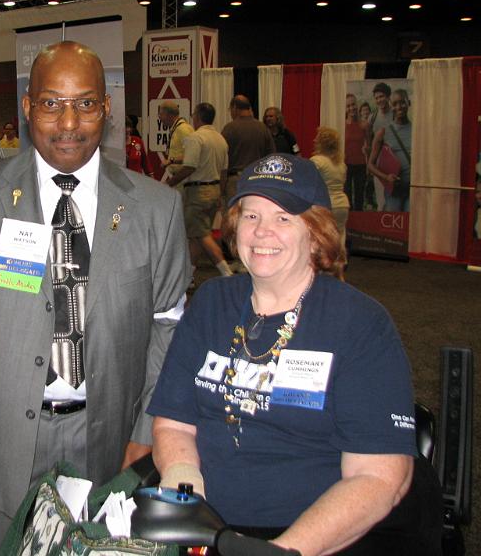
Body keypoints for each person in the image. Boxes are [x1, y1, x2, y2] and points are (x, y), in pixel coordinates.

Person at [0, 40, 191, 554]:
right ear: (27, 107)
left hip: (106, 440)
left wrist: (150, 426)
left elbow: (169, 324)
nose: (69, 122)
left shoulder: (157, 208)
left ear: (106, 109)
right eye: (51, 103)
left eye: (85, 103)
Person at [148, 153, 441, 555]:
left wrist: (285, 550)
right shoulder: (212, 302)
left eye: (284, 218)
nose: (262, 233)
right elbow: (174, 424)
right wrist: (186, 491)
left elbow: (378, 477)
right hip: (209, 522)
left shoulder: (359, 324)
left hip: (314, 535)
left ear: (316, 233)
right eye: (250, 216)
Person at [164, 102, 232, 278]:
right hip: (215, 189)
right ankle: (188, 277)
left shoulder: (196, 138)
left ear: (198, 117)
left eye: (194, 114)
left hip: (198, 192)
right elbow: (224, 171)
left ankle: (226, 272)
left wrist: (168, 184)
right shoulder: (220, 139)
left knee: (201, 235)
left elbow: (189, 167)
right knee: (196, 235)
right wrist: (221, 194)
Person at [221, 94, 275, 206]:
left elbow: (223, 160)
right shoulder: (262, 128)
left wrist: (222, 187)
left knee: (234, 216)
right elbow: (272, 156)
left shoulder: (230, 128)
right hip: (258, 180)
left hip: (236, 180)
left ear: (234, 108)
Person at [367, 89, 412, 212]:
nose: (399, 107)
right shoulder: (383, 132)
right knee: (392, 227)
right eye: (395, 104)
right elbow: (370, 165)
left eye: (402, 102)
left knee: (410, 227)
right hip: (394, 191)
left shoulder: (416, 130)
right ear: (391, 106)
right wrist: (386, 177)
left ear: (409, 103)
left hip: (412, 189)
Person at [310, 127, 349, 251]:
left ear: (322, 142)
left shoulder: (317, 161)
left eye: (317, 138)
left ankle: (324, 267)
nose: (314, 140)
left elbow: (308, 182)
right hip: (342, 205)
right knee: (339, 237)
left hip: (325, 205)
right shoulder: (341, 164)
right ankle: (340, 265)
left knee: (322, 239)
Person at [367, 82, 394, 211]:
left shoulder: (395, 114)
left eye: (382, 96)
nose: (379, 100)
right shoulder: (373, 117)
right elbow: (368, 140)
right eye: (377, 98)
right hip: (378, 164)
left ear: (388, 96)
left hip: (394, 162)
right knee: (380, 199)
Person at [157, 100, 194, 186]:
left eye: (161, 114)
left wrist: (171, 160)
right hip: (179, 179)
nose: (159, 117)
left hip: (184, 180)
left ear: (169, 115)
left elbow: (191, 156)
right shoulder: (176, 129)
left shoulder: (183, 129)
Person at [343, 94, 368, 211]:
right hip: (346, 164)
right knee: (347, 195)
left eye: (353, 104)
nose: (351, 108)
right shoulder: (343, 125)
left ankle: (360, 224)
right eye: (348, 106)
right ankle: (350, 223)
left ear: (357, 105)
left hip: (361, 164)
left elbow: (370, 145)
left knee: (359, 196)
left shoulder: (365, 125)